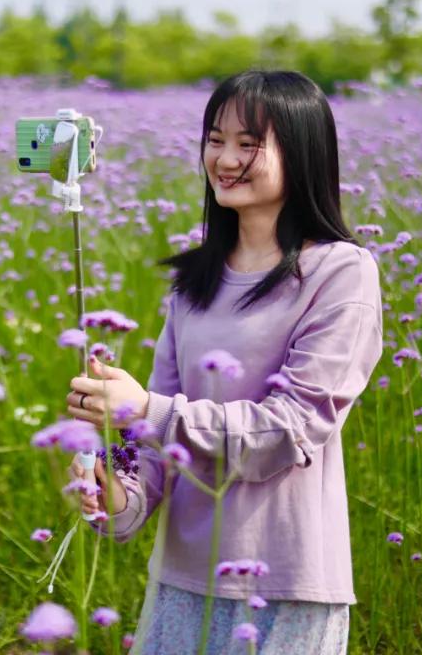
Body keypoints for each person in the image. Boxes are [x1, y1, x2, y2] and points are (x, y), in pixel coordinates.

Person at [66, 70, 384, 654]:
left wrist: (147, 408)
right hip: (182, 583)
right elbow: (154, 449)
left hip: (282, 587)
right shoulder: (194, 283)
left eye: (248, 143)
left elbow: (291, 429)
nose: (225, 158)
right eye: (215, 139)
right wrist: (112, 487)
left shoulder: (341, 272)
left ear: (304, 155)